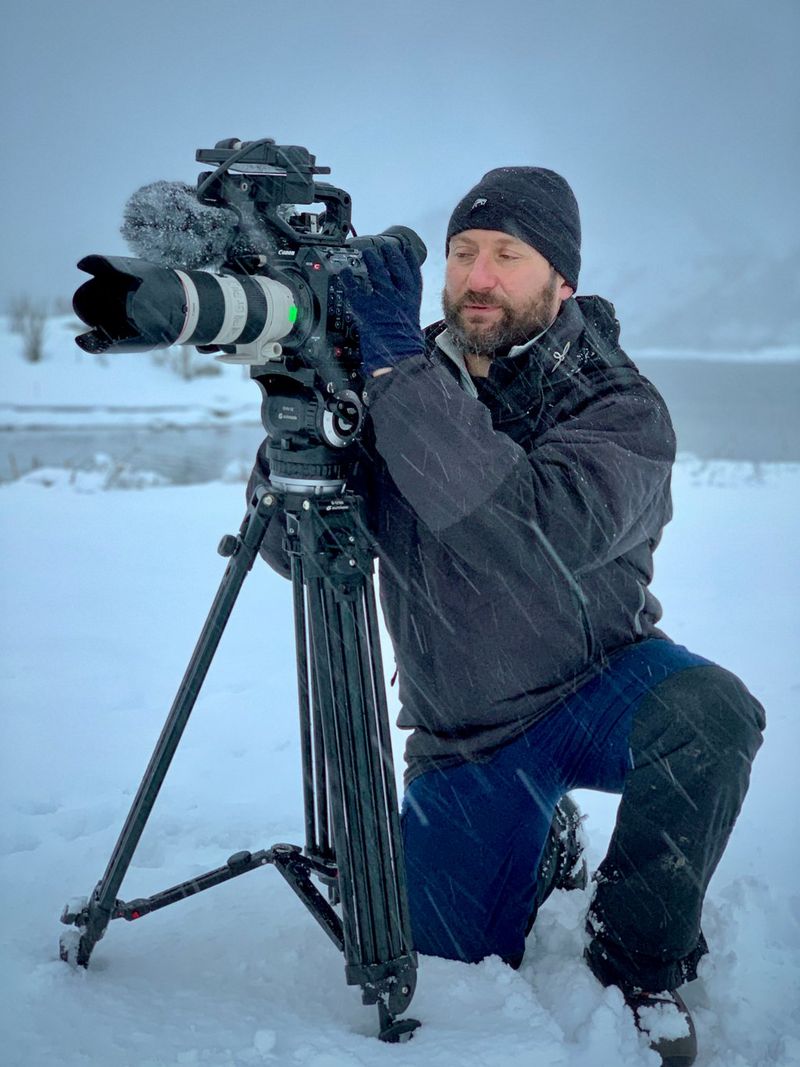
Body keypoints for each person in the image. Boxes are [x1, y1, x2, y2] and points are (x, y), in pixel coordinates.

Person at [250, 167, 765, 1067]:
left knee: (712, 715)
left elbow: (519, 533)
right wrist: (295, 440)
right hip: (471, 736)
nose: (476, 277)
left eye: (507, 256)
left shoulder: (617, 404)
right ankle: (543, 832)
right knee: (444, 962)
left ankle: (638, 963)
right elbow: (302, 557)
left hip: (602, 682)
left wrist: (396, 375)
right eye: (461, 253)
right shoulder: (394, 378)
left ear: (560, 281)